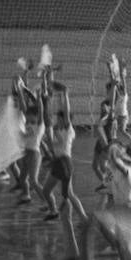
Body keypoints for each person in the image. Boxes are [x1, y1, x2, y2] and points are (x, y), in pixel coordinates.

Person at [41, 81, 87, 222]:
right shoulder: (58, 131)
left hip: (63, 163)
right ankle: (83, 218)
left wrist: (64, 94)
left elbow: (65, 111)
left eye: (60, 119)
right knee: (68, 194)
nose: (58, 120)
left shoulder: (68, 129)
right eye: (58, 118)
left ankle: (56, 211)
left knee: (51, 192)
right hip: (63, 163)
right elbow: (51, 144)